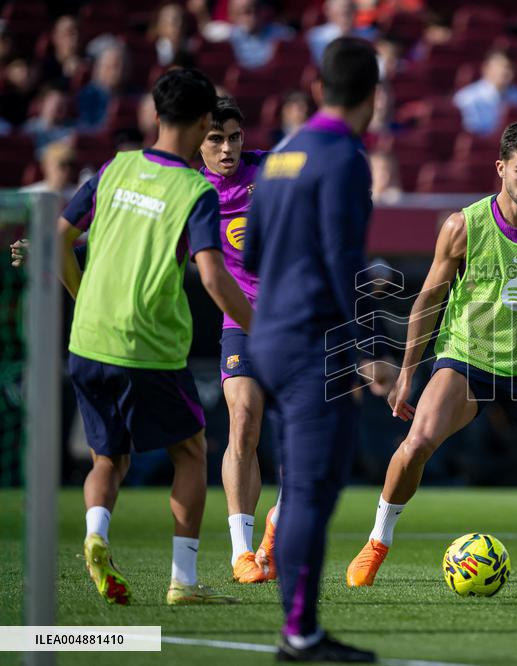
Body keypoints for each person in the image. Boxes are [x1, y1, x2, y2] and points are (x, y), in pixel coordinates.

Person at [345, 120, 517, 596]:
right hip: (467, 363)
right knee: (416, 445)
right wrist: (409, 372)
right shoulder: (462, 226)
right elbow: (428, 299)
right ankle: (377, 541)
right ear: (500, 168)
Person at [59, 68, 253, 606]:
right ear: (199, 123)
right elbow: (212, 276)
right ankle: (183, 583)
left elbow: (57, 236)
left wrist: (81, 301)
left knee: (107, 459)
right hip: (148, 345)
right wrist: (261, 332)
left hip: (88, 339)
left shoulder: (114, 167)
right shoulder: (195, 189)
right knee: (191, 451)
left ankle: (96, 534)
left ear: (155, 114)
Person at [243, 37, 392, 662]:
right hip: (312, 344)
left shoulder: (280, 154)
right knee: (310, 492)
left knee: (297, 484)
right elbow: (341, 260)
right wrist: (364, 348)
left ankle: (299, 629)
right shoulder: (344, 158)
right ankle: (300, 635)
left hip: (267, 337)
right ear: (373, 97)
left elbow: (249, 254)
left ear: (317, 87)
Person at [197, 96, 280, 584]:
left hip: (296, 321)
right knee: (243, 421)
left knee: (313, 437)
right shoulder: (191, 191)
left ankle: (278, 524)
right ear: (199, 144)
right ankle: (242, 552)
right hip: (242, 323)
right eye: (215, 139)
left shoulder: (271, 170)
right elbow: (130, 233)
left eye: (233, 137)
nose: (227, 148)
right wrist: (58, 243)